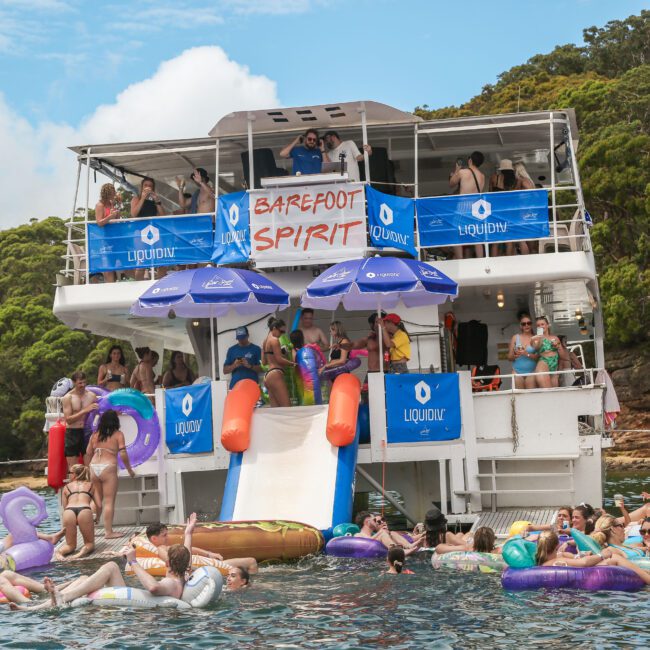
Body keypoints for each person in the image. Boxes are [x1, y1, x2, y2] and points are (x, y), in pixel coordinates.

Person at [10, 514, 198, 611]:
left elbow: (154, 589)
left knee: (111, 566)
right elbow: (186, 555)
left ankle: (59, 599)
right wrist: (188, 533)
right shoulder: (183, 575)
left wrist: (133, 562)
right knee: (85, 577)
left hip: (137, 600)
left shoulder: (169, 583)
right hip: (132, 593)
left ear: (169, 564)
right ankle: (47, 602)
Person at [85, 409, 135, 539]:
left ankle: (88, 530)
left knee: (95, 501)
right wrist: (129, 469)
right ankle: (108, 532)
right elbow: (123, 453)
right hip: (108, 467)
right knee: (109, 501)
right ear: (116, 421)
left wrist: (86, 469)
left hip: (94, 466)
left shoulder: (94, 435)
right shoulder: (118, 434)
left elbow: (88, 452)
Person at [534, 530, 650, 585]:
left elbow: (576, 559)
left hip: (578, 575)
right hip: (586, 576)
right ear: (557, 545)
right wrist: (601, 555)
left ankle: (646, 573)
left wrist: (581, 554)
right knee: (614, 558)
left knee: (634, 568)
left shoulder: (542, 561)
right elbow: (584, 563)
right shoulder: (557, 560)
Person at [146, 523, 258, 575]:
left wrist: (209, 554)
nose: (168, 537)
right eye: (164, 535)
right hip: (207, 567)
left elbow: (189, 549)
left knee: (251, 562)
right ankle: (249, 584)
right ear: (154, 538)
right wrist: (196, 568)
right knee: (251, 562)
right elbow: (173, 562)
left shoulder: (166, 547)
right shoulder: (161, 549)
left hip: (209, 564)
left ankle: (247, 582)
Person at [448, 151, 486, 259]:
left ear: (470, 160)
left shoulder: (463, 172)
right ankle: (480, 260)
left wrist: (457, 170)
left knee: (456, 233)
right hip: (476, 207)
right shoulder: (482, 176)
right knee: (476, 236)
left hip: (463, 206)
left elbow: (451, 184)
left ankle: (460, 259)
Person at [57, 464, 97, 559]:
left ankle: (60, 553)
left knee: (70, 545)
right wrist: (97, 517)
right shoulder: (91, 485)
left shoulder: (66, 487)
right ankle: (82, 552)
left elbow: (65, 506)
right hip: (84, 510)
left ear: (74, 474)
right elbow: (98, 504)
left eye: (69, 473)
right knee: (89, 543)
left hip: (69, 511)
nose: (68, 475)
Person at [62, 371, 98, 471]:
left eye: (84, 382)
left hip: (87, 432)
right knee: (74, 469)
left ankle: (90, 486)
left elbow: (101, 411)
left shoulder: (91, 396)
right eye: (80, 383)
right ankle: (74, 485)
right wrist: (85, 410)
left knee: (89, 468)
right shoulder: (68, 397)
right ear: (74, 383)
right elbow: (68, 420)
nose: (83, 385)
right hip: (73, 432)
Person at [262, 317, 296, 407]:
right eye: (281, 331)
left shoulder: (265, 341)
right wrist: (292, 364)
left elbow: (264, 362)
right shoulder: (274, 340)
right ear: (274, 328)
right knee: (287, 408)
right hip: (275, 374)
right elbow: (279, 359)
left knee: (276, 412)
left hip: (267, 376)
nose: (282, 334)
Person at [355, 511, 423, 555]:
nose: (376, 522)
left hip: (381, 553)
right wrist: (381, 532)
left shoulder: (374, 535)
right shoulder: (358, 535)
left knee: (392, 533)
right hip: (368, 557)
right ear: (367, 522)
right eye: (374, 520)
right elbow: (365, 544)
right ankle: (399, 552)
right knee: (383, 533)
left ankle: (409, 546)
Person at [95, 184, 121, 283]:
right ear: (107, 194)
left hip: (115, 237)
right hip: (105, 238)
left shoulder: (111, 203)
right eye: (112, 192)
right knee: (109, 267)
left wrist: (118, 205)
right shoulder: (99, 205)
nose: (114, 194)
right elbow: (99, 222)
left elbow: (117, 218)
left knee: (116, 263)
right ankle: (110, 287)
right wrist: (110, 216)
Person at [507, 313, 538, 389]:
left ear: (531, 325)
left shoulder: (536, 338)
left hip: (532, 371)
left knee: (530, 397)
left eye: (529, 323)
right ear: (520, 326)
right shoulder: (515, 337)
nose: (526, 325)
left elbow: (538, 357)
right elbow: (509, 357)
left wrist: (526, 353)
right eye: (524, 324)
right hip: (517, 371)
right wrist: (515, 356)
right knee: (519, 397)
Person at [530, 316, 561, 389]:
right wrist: (539, 337)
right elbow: (536, 347)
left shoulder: (555, 338)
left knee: (554, 392)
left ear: (547, 325)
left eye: (542, 324)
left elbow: (562, 355)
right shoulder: (535, 338)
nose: (540, 326)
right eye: (538, 325)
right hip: (543, 363)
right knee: (547, 390)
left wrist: (558, 347)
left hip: (554, 365)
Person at [434, 526, 501, 555]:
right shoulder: (495, 551)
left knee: (465, 534)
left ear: (475, 540)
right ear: (492, 541)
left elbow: (438, 548)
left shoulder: (466, 548)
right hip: (468, 542)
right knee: (466, 534)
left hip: (468, 543)